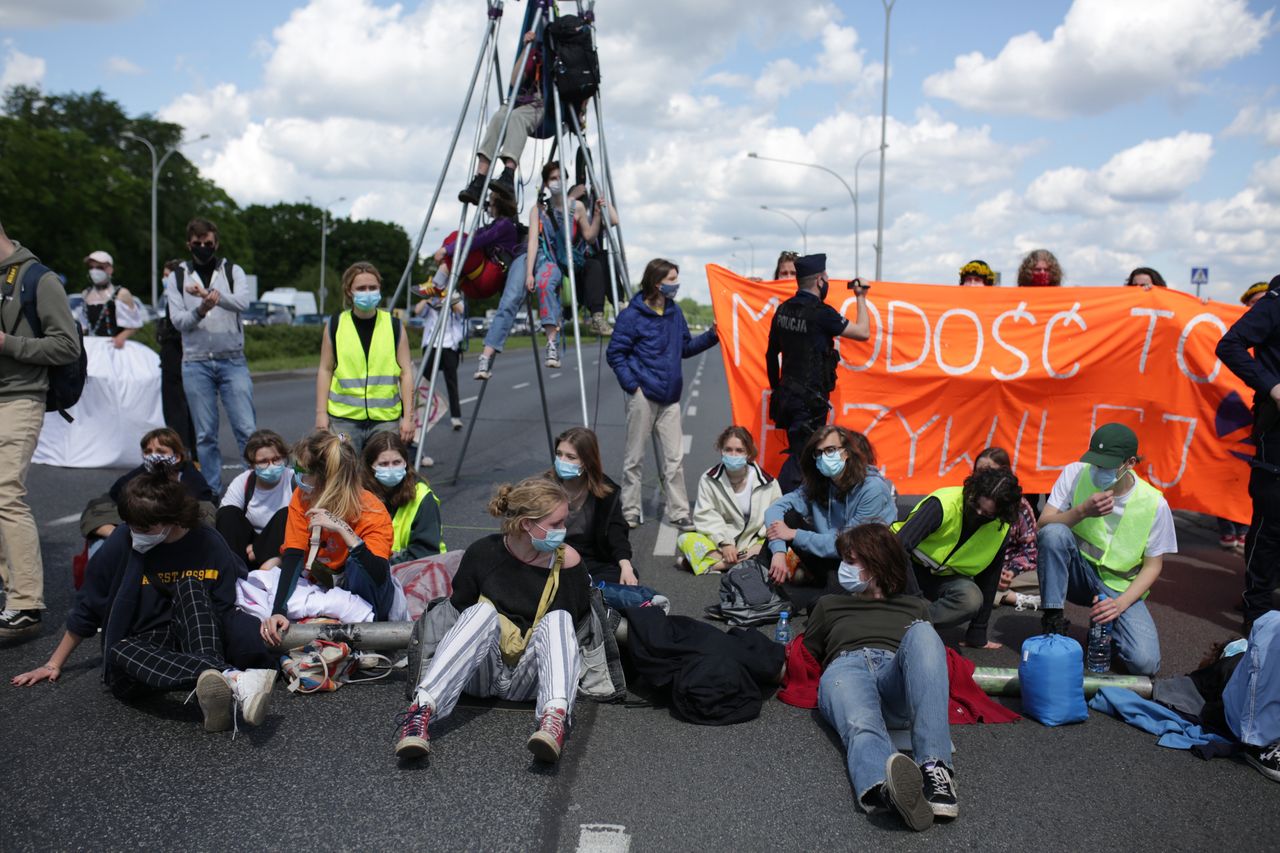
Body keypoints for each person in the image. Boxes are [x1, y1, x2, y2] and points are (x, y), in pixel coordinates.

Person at [10, 466, 276, 732]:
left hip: (197, 639)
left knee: (191, 587)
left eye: (143, 527)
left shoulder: (207, 542)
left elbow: (226, 605)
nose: (134, 532)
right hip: (145, 643)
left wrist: (258, 638)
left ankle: (215, 687)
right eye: (131, 525)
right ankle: (231, 679)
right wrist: (52, 663)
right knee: (118, 650)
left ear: (172, 519)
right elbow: (88, 606)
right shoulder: (122, 541)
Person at [394, 477, 591, 763]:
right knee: (479, 612)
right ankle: (421, 713)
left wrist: (573, 570)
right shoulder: (483, 553)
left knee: (559, 618)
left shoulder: (567, 562)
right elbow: (458, 612)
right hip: (480, 670)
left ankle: (554, 719)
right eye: (556, 524)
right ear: (527, 524)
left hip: (531, 678)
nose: (563, 531)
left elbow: (574, 627)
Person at [808, 523, 957, 831]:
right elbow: (808, 653)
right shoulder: (828, 605)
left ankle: (935, 769)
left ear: (876, 564)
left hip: (895, 674)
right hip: (846, 667)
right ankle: (888, 790)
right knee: (862, 723)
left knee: (924, 632)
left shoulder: (914, 606)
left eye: (851, 562)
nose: (842, 569)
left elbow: (922, 659)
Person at [1037, 423, 1176, 675]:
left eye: (1107, 465)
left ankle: (1103, 632)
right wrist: (1081, 512)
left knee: (1145, 663)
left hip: (1118, 588)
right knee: (1053, 533)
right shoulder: (1075, 473)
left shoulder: (1155, 503)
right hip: (1076, 575)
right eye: (1096, 463)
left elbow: (1154, 565)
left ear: (1130, 462)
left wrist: (1120, 605)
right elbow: (1043, 526)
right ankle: (1053, 623)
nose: (1099, 471)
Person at [0, 220, 80, 639]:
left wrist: (7, 343)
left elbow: (66, 345)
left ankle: (25, 604)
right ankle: (14, 593)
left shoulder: (37, 278)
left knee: (5, 494)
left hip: (20, 397)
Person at [607, 258, 719, 529]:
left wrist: (713, 335)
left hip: (670, 397)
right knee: (634, 458)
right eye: (671, 280)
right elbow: (615, 353)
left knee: (675, 459)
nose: (676, 285)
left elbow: (685, 348)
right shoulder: (632, 315)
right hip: (644, 395)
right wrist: (632, 385)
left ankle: (679, 511)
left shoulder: (674, 312)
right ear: (656, 282)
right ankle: (630, 511)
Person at [258, 432, 400, 643]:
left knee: (356, 561)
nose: (296, 477)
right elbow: (294, 556)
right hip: (326, 582)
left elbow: (378, 576)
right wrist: (279, 610)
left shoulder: (371, 510)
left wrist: (345, 531)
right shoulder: (303, 497)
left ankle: (368, 636)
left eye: (301, 471)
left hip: (368, 593)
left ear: (326, 481)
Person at [163, 217, 257, 494]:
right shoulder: (178, 276)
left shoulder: (232, 270)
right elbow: (178, 320)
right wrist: (201, 309)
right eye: (197, 244)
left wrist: (210, 295)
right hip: (196, 361)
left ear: (216, 243)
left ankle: (253, 488)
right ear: (188, 245)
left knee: (246, 428)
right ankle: (212, 493)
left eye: (208, 243)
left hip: (233, 358)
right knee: (205, 435)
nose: (203, 248)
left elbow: (242, 302)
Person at [765, 253, 870, 493]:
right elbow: (863, 332)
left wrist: (777, 390)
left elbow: (771, 356)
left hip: (788, 399)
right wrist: (861, 297)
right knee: (804, 459)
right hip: (809, 403)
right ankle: (779, 505)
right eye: (826, 277)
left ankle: (798, 509)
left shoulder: (783, 310)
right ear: (820, 280)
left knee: (804, 455)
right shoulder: (821, 313)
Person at [892, 466, 1022, 650]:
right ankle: (895, 619)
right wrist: (916, 600)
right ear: (972, 492)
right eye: (975, 505)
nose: (978, 513)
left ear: (1000, 514)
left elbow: (989, 580)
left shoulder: (1000, 530)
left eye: (986, 514)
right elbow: (898, 547)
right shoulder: (944, 503)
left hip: (940, 578)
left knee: (970, 598)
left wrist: (978, 631)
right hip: (900, 567)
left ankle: (907, 625)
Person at [1217, 274, 1280, 633]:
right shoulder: (1274, 303)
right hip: (1277, 432)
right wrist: (1272, 386)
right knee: (1271, 523)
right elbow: (1230, 345)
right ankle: (1256, 612)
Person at [761, 426, 897, 594]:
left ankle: (808, 589)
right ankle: (761, 588)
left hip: (858, 560)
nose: (824, 457)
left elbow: (849, 544)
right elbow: (774, 510)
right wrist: (779, 552)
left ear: (846, 453)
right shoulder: (820, 483)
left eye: (830, 450)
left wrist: (794, 534)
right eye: (818, 453)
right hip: (826, 553)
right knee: (787, 517)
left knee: (824, 602)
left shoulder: (872, 489)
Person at [315, 261, 415, 453]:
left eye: (373, 287)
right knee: (344, 469)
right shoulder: (336, 324)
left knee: (385, 471)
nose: (367, 292)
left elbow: (406, 374)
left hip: (385, 422)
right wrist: (321, 414)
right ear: (349, 292)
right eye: (361, 288)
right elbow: (325, 370)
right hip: (344, 423)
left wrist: (409, 418)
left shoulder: (394, 325)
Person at [81, 427, 217, 559]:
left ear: (176, 457)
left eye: (160, 451)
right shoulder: (134, 478)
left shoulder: (192, 481)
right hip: (135, 536)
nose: (153, 456)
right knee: (99, 542)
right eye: (148, 451)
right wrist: (119, 535)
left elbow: (204, 517)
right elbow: (100, 507)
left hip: (176, 543)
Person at [527, 161, 605, 368]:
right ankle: (551, 343)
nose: (558, 182)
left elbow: (589, 236)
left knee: (595, 266)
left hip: (572, 260)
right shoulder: (539, 210)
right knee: (545, 283)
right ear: (545, 184)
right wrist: (529, 273)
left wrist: (596, 215)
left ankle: (597, 316)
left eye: (561, 178)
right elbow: (533, 241)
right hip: (551, 260)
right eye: (553, 179)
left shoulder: (576, 207)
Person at [677, 425, 782, 575]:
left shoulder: (768, 483)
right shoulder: (709, 479)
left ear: (749, 453)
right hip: (721, 543)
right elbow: (705, 516)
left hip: (754, 542)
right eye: (728, 450)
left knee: (782, 546)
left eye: (739, 450)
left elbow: (776, 517)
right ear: (721, 450)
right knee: (685, 539)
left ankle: (718, 566)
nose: (733, 455)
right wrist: (725, 543)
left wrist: (759, 545)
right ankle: (748, 563)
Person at [458, 29, 542, 204]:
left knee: (517, 118)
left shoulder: (564, 54)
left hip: (543, 105)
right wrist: (526, 49)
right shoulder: (536, 53)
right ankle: (480, 179)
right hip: (522, 99)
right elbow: (514, 81)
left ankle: (508, 174)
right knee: (499, 117)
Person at [545, 426, 636, 585]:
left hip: (590, 560)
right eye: (559, 454)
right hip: (550, 556)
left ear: (587, 462)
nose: (562, 461)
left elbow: (616, 532)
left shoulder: (607, 492)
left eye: (570, 457)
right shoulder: (544, 486)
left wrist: (626, 565)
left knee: (624, 576)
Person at [216, 429, 295, 572]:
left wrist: (259, 549)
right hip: (247, 550)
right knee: (228, 513)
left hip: (280, 549)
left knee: (288, 513)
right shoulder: (244, 481)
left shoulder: (294, 480)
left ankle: (270, 564)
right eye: (263, 462)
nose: (271, 466)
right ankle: (232, 570)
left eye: (276, 459)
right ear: (252, 465)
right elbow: (226, 519)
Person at [362, 431, 444, 563]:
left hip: (418, 571)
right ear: (370, 467)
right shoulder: (359, 496)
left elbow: (425, 552)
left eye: (396, 462)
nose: (391, 469)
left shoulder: (422, 497)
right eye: (383, 464)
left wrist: (381, 567)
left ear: (405, 463)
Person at [974, 447, 1040, 610]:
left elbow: (1030, 549)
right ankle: (1010, 597)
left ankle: (997, 593)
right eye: (978, 472)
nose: (983, 478)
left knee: (1053, 581)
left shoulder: (1020, 507)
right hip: (975, 566)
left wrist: (1012, 571)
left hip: (1011, 569)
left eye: (989, 472)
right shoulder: (969, 500)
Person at [156, 258, 198, 461]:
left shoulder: (180, 299)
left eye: (166, 276)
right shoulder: (176, 298)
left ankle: (181, 451)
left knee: (177, 408)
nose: (164, 279)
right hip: (174, 355)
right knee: (184, 408)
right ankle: (188, 451)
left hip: (177, 356)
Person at [414, 274, 466, 431]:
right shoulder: (431, 301)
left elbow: (461, 310)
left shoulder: (453, 296)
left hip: (449, 346)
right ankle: (419, 414)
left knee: (452, 382)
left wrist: (447, 296)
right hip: (431, 346)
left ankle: (455, 417)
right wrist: (428, 297)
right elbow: (417, 311)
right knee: (425, 382)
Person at [568, 183, 620, 336]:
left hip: (592, 269)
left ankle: (619, 302)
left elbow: (614, 220)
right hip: (575, 266)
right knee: (594, 264)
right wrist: (571, 197)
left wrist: (601, 197)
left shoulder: (593, 218)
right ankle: (597, 316)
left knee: (604, 256)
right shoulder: (570, 213)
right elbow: (559, 214)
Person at [77, 250, 143, 347]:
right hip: (90, 346)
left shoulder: (121, 293)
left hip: (113, 347)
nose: (94, 271)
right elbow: (84, 326)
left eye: (100, 267)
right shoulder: (86, 294)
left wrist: (122, 337)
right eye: (91, 267)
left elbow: (135, 324)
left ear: (110, 269)